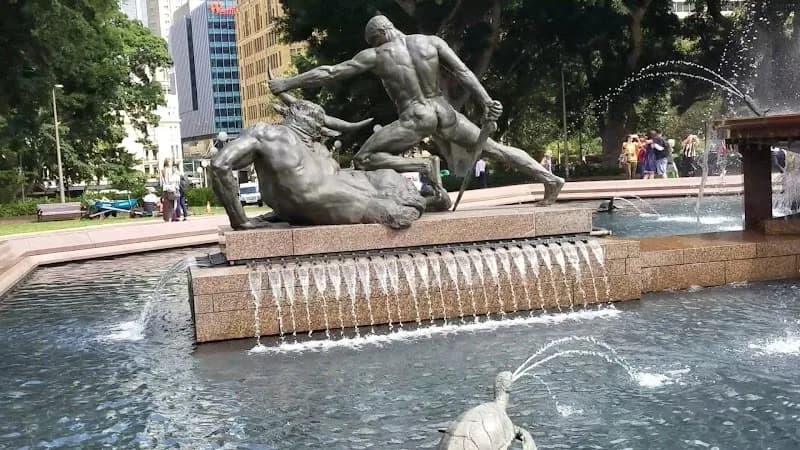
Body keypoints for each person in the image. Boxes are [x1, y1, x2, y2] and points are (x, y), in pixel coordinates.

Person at [269, 15, 564, 207]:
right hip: (444, 110)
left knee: (364, 157)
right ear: (393, 28)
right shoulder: (431, 43)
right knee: (494, 149)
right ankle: (548, 179)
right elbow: (462, 72)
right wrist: (486, 100)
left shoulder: (376, 55)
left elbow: (329, 72)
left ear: (376, 38)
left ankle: (428, 177)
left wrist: (287, 82)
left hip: (416, 115)